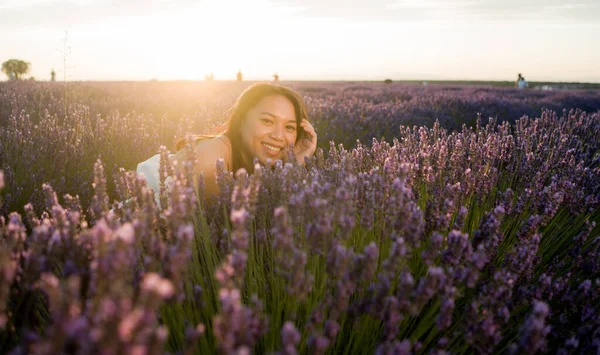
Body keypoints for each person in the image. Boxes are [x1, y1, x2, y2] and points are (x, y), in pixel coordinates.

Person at [137, 83, 317, 205]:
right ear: (240, 121)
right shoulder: (214, 157)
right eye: (267, 121)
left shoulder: (254, 162)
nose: (279, 136)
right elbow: (238, 224)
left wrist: (296, 161)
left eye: (289, 127)